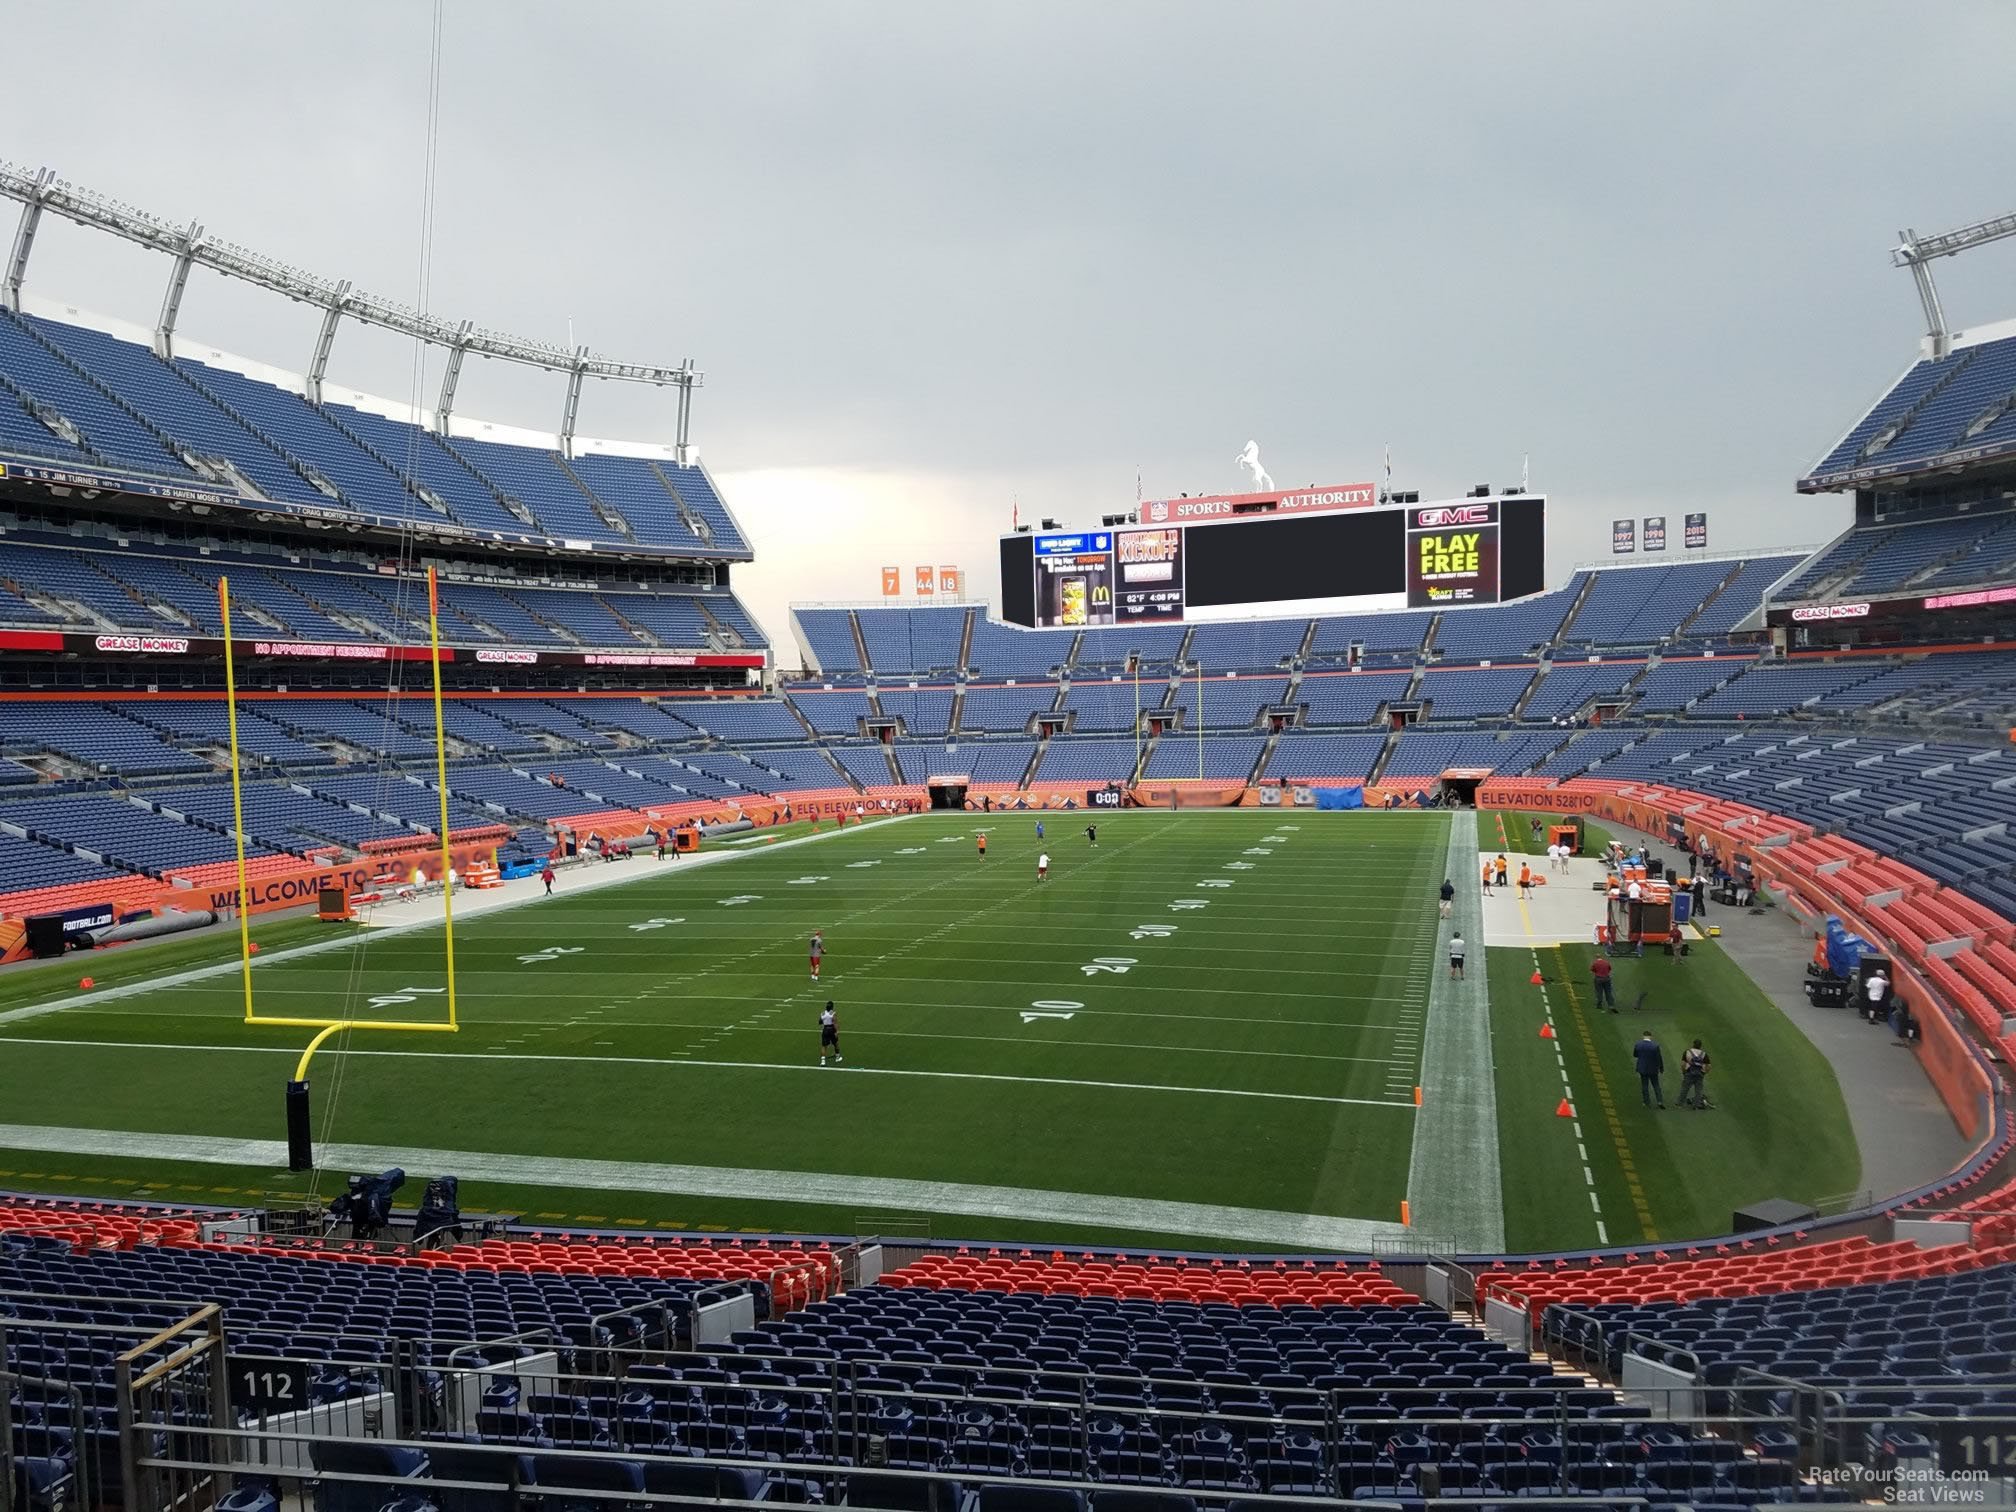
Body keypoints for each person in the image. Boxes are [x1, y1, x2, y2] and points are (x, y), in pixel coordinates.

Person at [1633, 1031, 1665, 1109]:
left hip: (1642, 1068)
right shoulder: (1655, 1046)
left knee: (1645, 1085)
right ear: (1650, 1036)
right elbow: (1659, 1058)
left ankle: (1646, 1102)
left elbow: (1635, 1055)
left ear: (1643, 1036)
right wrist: (1661, 1068)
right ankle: (1659, 1101)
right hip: (1653, 1068)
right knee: (1656, 1085)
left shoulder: (1638, 1045)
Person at [1679, 1038, 1711, 1109]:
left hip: (1689, 1072)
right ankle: (1696, 1105)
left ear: (1693, 1044)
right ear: (1700, 1046)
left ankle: (1680, 1104)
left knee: (1685, 1088)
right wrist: (1704, 1072)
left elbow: (1683, 1064)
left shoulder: (1687, 1052)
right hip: (1700, 1074)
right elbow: (1709, 1066)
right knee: (1698, 1090)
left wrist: (1683, 1071)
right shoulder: (1704, 1054)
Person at [818, 1001, 841, 1066]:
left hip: (825, 1029)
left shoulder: (822, 1013)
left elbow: (820, 1022)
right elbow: (835, 1023)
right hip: (831, 1029)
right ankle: (837, 1057)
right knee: (835, 1043)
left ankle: (823, 1062)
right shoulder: (833, 1013)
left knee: (824, 1046)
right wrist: (837, 1031)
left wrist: (825, 1020)